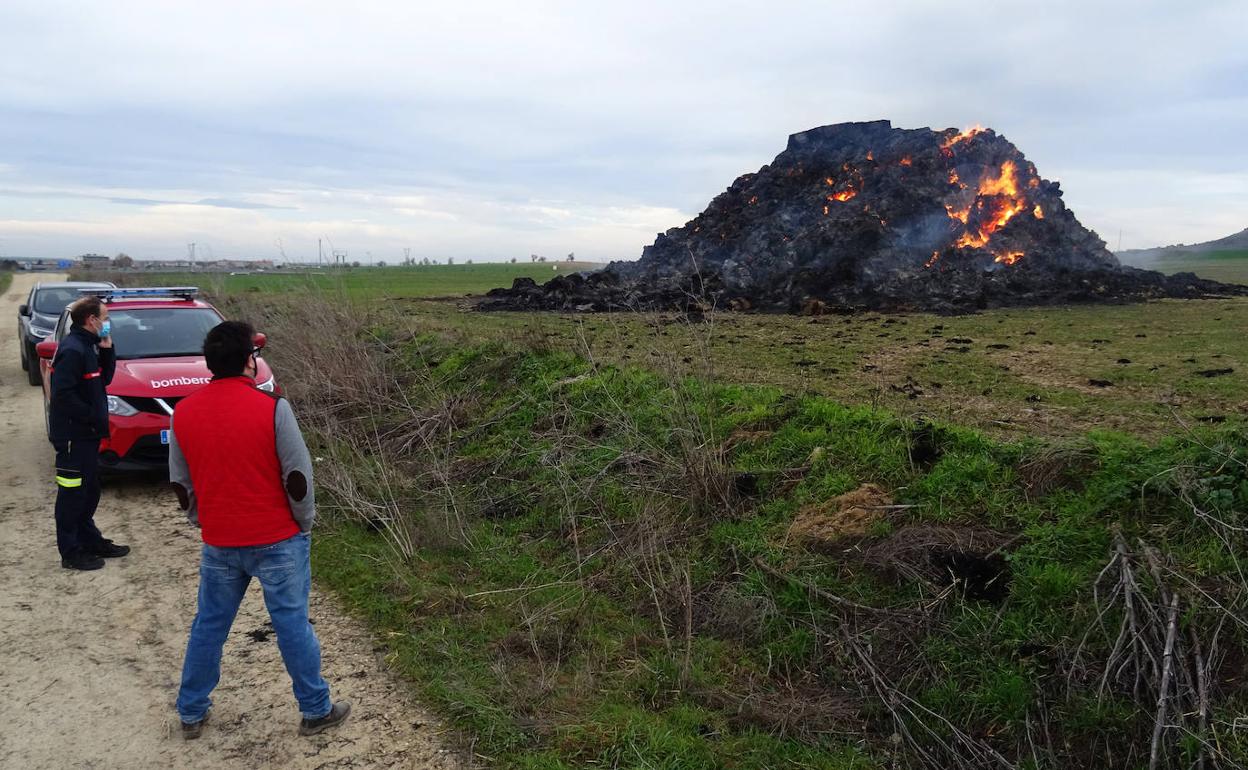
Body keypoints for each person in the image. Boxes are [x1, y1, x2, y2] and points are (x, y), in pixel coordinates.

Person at [168, 320, 349, 739]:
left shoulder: (184, 412)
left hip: (220, 542)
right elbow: (298, 477)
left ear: (212, 363)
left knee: (209, 626)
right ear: (250, 361)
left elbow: (181, 483)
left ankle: (191, 712)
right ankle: (315, 710)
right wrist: (302, 525)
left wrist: (203, 520)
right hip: (279, 540)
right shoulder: (273, 408)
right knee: (292, 625)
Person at [48, 296, 130, 571]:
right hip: (74, 436)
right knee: (72, 494)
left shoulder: (88, 346)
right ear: (91, 320)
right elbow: (62, 395)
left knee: (89, 491)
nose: (108, 323)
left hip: (88, 434)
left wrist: (107, 349)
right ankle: (71, 552)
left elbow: (103, 380)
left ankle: (90, 540)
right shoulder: (72, 350)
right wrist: (92, 416)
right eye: (105, 318)